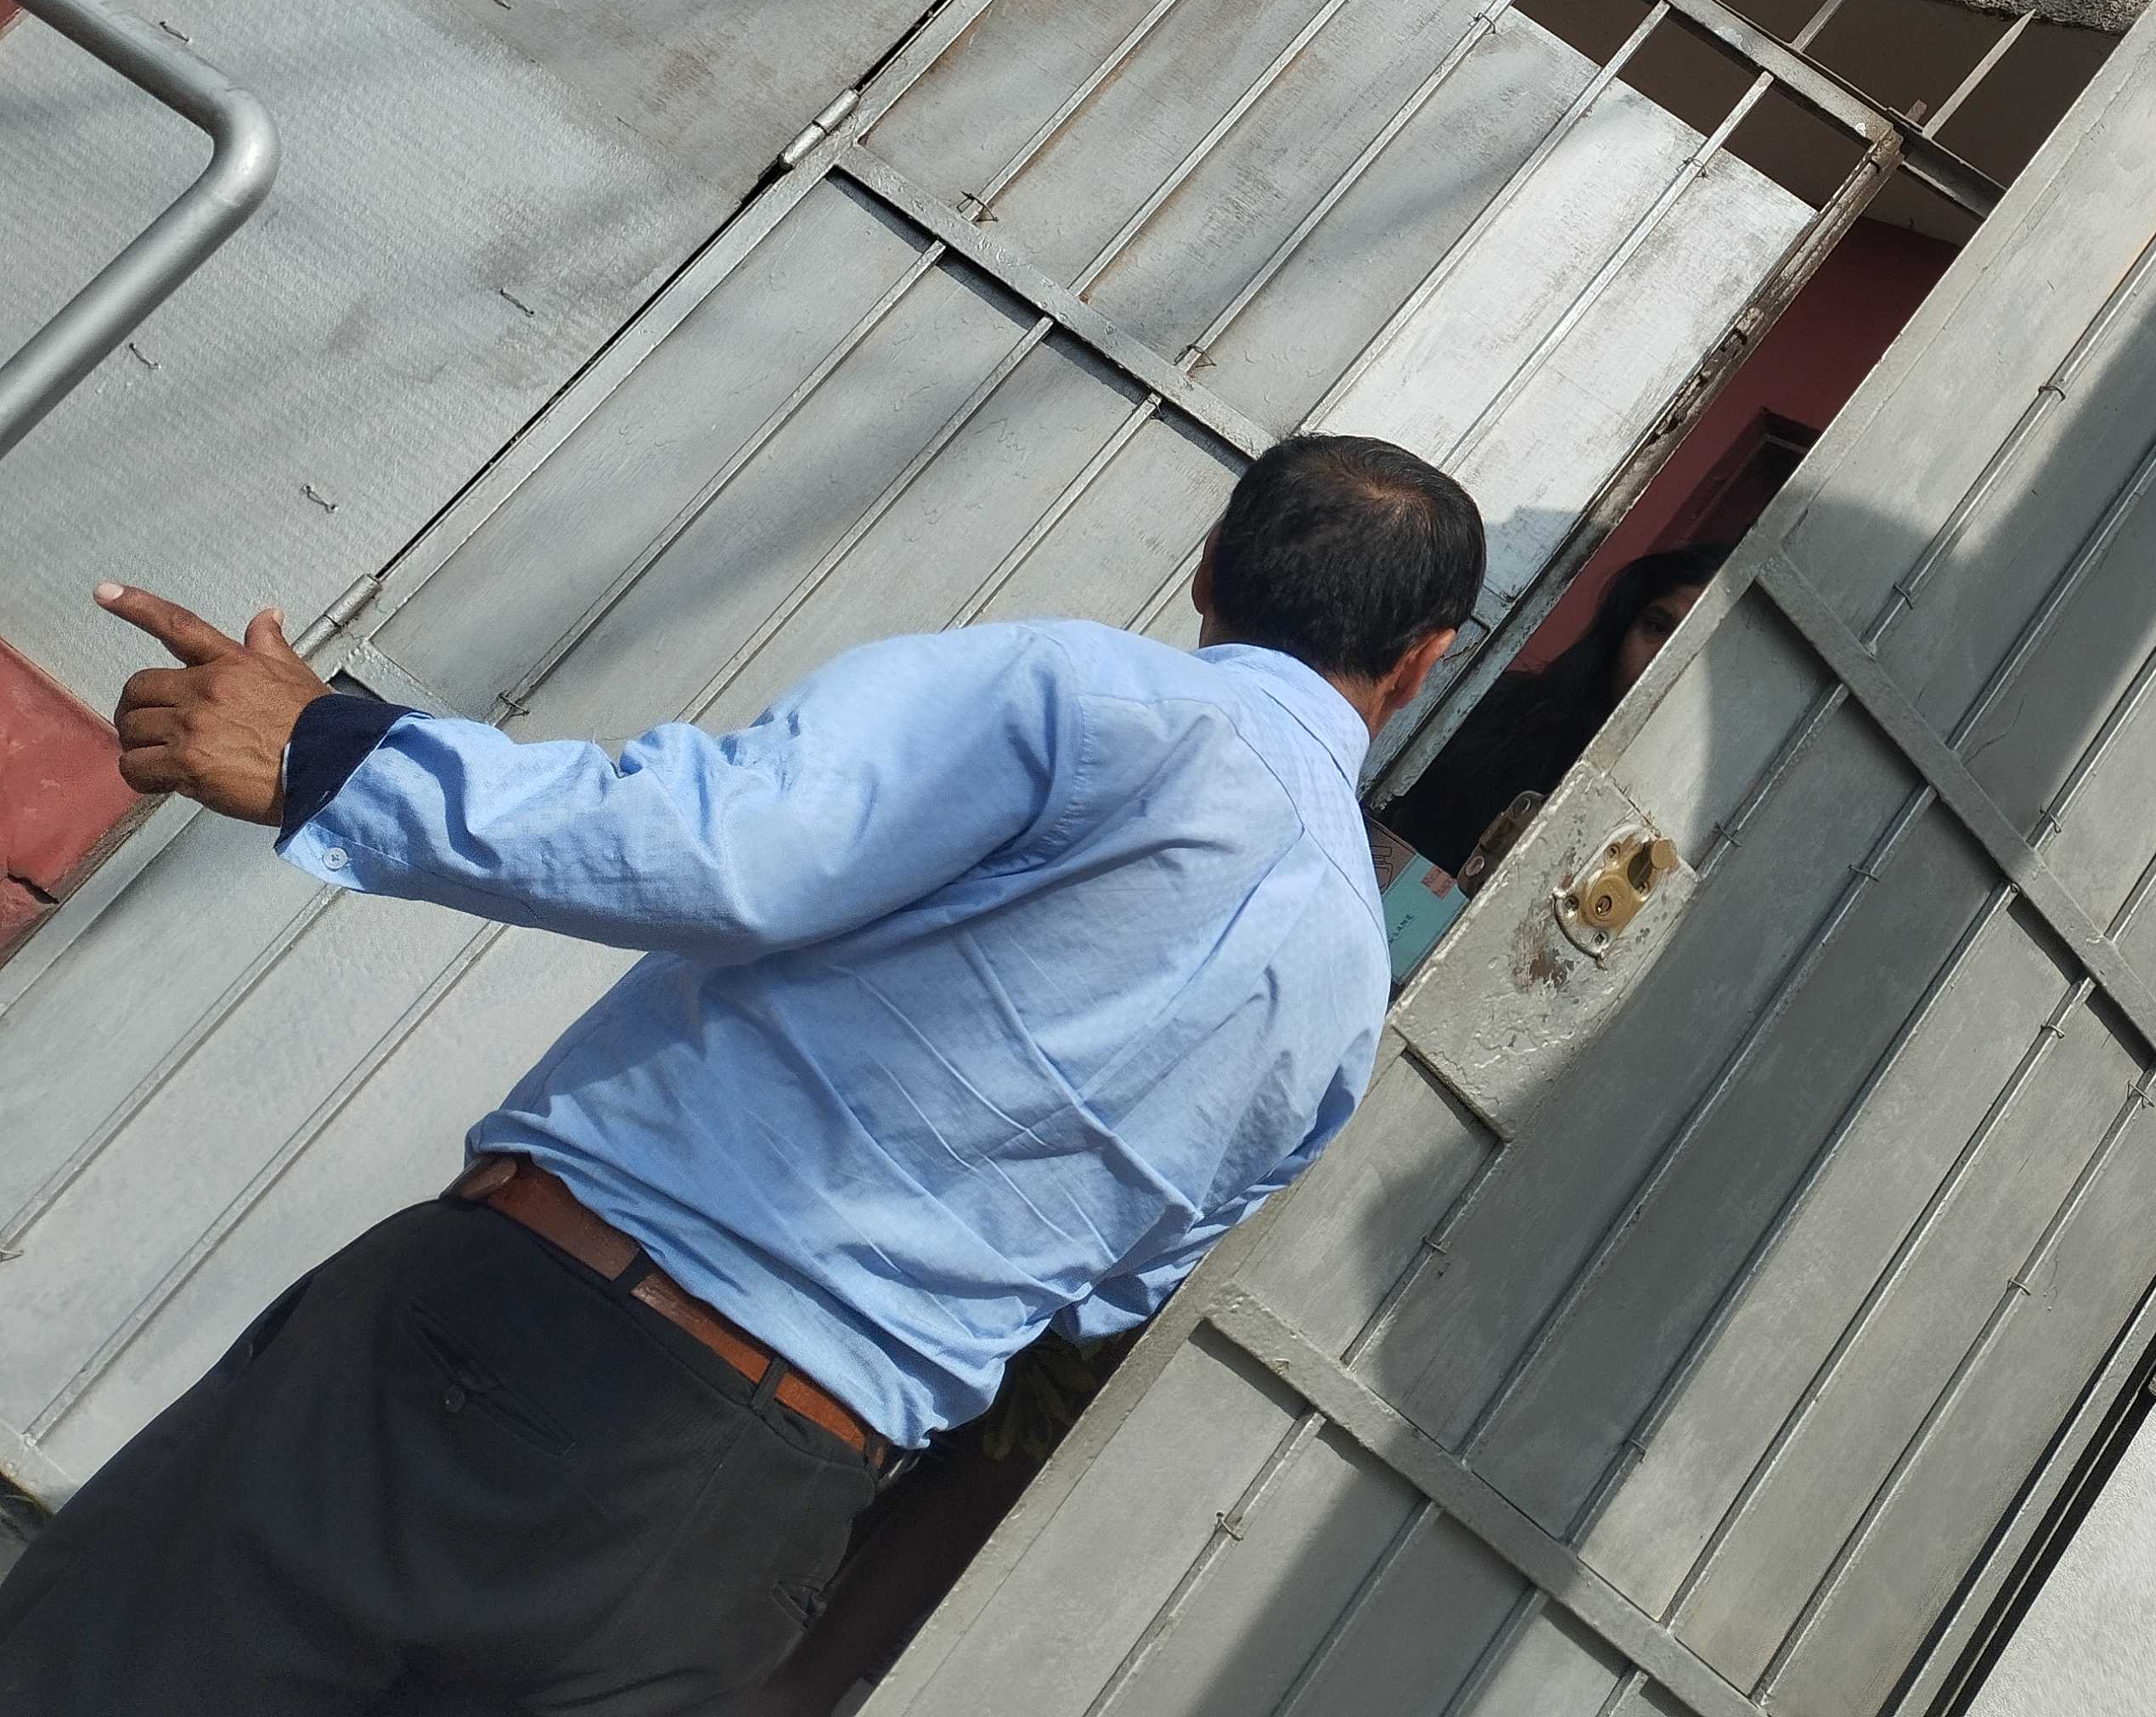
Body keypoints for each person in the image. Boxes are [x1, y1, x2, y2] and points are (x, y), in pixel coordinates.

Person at [0, 434, 1485, 1717]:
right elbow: (1108, 1290)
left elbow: (728, 847)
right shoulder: (1347, 995)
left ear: (1209, 563)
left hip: (514, 1350)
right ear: (1424, 659)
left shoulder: (1089, 699)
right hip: (755, 1518)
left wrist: (336, 755)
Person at [1382, 541, 1725, 886]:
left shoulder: (1698, 815)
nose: (1665, 658)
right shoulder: (1507, 716)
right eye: (1658, 628)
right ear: (1622, 630)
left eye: (1699, 645)